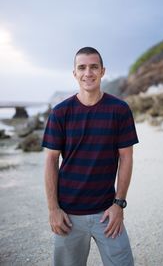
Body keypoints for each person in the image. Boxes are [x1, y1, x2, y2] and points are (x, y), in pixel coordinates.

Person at [42, 47, 139, 266]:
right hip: (68, 215)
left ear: (103, 71)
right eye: (82, 67)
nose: (88, 73)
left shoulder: (119, 110)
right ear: (74, 73)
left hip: (107, 212)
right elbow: (50, 160)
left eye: (94, 67)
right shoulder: (60, 113)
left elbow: (126, 157)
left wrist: (119, 204)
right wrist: (53, 209)